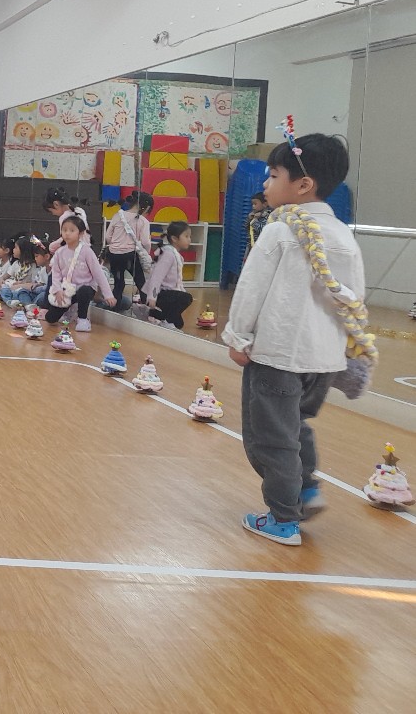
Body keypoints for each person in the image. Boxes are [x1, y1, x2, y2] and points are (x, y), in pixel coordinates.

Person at [224, 133, 364, 547]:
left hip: (277, 357)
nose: (265, 183)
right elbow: (354, 301)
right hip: (322, 362)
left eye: (272, 175)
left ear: (303, 185)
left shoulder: (279, 230)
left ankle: (283, 519)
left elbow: (251, 289)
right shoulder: (344, 236)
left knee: (270, 439)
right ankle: (305, 489)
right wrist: (343, 350)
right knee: (294, 425)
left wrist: (237, 337)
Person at [39, 215, 117, 331]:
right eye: (64, 230)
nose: (67, 233)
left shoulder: (87, 251)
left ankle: (83, 319)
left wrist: (108, 294)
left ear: (80, 233)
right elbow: (55, 274)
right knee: (50, 318)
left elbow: (98, 274)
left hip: (85, 287)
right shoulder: (60, 252)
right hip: (68, 289)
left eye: (71, 230)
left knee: (84, 291)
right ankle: (66, 311)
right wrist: (57, 289)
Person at [141, 221, 194, 329]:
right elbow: (156, 277)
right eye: (186, 236)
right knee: (186, 298)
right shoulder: (168, 254)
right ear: (174, 239)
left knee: (178, 324)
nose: (189, 240)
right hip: (159, 294)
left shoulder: (174, 254)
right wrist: (152, 297)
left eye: (189, 236)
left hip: (166, 293)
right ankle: (158, 316)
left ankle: (154, 314)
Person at [104, 191, 153, 298]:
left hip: (114, 255)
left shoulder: (117, 215)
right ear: (147, 208)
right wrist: (146, 253)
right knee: (141, 283)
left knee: (118, 284)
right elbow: (145, 242)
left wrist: (116, 245)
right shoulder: (143, 221)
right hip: (130, 256)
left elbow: (107, 237)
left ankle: (116, 305)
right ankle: (147, 306)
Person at [2, 236, 48, 306]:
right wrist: (2, 280)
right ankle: (11, 302)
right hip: (23, 289)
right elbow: (38, 283)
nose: (13, 250)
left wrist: (23, 285)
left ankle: (28, 305)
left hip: (30, 290)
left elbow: (36, 284)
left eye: (15, 247)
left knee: (41, 296)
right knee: (6, 289)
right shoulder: (16, 263)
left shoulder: (34, 266)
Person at [42, 188, 89, 252]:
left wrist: (51, 247)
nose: (53, 214)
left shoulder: (64, 218)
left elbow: (66, 239)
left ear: (56, 204)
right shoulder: (80, 211)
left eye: (51, 211)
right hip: (87, 249)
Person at [243, 192, 271, 264]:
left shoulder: (268, 216)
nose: (253, 206)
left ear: (265, 204)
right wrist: (249, 219)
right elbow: (246, 228)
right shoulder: (253, 215)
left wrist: (254, 221)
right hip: (250, 246)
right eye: (252, 204)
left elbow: (262, 230)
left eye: (255, 204)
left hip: (261, 247)